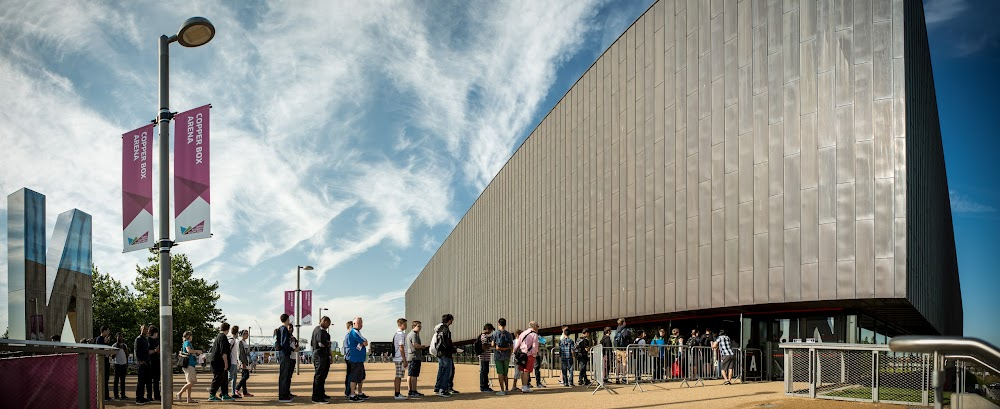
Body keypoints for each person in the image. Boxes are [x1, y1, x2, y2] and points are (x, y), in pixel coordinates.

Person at [346, 316, 370, 403]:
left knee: (360, 377)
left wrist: (363, 343)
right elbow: (365, 342)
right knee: (355, 377)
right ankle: (352, 395)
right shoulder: (354, 332)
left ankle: (359, 393)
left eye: (361, 323)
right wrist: (363, 343)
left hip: (359, 359)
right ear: (354, 324)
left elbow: (364, 342)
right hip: (356, 359)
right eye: (359, 323)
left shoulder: (357, 332)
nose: (361, 324)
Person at [433, 314, 458, 397]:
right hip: (445, 352)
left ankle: (438, 388)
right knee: (447, 371)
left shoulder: (439, 328)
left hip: (440, 352)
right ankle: (443, 389)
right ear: (450, 320)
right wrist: (453, 349)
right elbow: (446, 343)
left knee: (442, 370)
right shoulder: (445, 329)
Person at [209, 322, 234, 401]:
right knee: (218, 378)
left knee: (224, 378)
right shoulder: (223, 337)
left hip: (216, 361)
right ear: (228, 329)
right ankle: (212, 395)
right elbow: (224, 352)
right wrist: (226, 363)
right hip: (219, 362)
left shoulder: (218, 336)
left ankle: (224, 394)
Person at [513, 321, 540, 393]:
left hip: (522, 354)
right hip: (529, 354)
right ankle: (525, 387)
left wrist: (515, 351)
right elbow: (535, 346)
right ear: (534, 326)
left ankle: (524, 385)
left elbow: (518, 343)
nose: (538, 328)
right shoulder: (534, 335)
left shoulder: (523, 333)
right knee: (527, 371)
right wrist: (534, 354)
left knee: (522, 370)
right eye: (537, 326)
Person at [177, 331, 202, 404]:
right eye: (191, 335)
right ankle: (180, 393)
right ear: (188, 336)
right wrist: (197, 351)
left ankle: (189, 398)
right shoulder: (187, 343)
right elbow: (189, 350)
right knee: (192, 381)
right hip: (189, 365)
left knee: (189, 382)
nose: (192, 337)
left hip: (189, 364)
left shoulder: (186, 343)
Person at [311, 316, 332, 403]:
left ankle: (321, 393)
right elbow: (321, 344)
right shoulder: (319, 330)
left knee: (323, 376)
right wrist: (327, 343)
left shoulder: (322, 331)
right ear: (325, 321)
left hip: (323, 356)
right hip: (319, 356)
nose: (328, 326)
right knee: (319, 376)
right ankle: (316, 396)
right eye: (328, 324)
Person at [490, 318, 514, 396]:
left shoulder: (495, 333)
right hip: (506, 355)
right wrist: (509, 355)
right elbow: (511, 346)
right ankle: (507, 389)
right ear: (505, 324)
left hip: (498, 355)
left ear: (498, 324)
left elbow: (493, 344)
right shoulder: (509, 334)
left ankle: (502, 390)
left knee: (500, 373)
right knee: (505, 373)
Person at [406, 320, 427, 398]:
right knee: (414, 375)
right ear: (414, 326)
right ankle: (413, 391)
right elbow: (415, 345)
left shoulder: (409, 334)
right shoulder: (414, 335)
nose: (420, 328)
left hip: (411, 356)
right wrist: (422, 346)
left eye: (420, 326)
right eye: (418, 326)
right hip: (415, 356)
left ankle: (410, 390)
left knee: (410, 374)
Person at [277, 314, 295, 403]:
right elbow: (284, 343)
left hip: (282, 354)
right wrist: (291, 349)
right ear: (287, 319)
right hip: (285, 354)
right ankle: (283, 396)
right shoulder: (284, 329)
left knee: (284, 375)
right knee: (284, 375)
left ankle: (283, 394)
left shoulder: (280, 329)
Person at [392, 318, 410, 400]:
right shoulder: (401, 334)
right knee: (398, 376)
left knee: (398, 376)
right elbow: (401, 347)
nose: (406, 326)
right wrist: (405, 359)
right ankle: (397, 394)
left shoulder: (397, 333)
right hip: (400, 358)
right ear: (401, 324)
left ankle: (397, 393)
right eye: (405, 324)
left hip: (398, 357)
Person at [134, 324, 150, 405]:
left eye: (146, 329)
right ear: (141, 329)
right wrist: (140, 360)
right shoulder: (138, 339)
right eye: (144, 329)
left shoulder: (145, 339)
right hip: (141, 363)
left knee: (144, 381)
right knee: (140, 381)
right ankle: (138, 398)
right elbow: (137, 351)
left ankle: (142, 397)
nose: (145, 330)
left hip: (146, 362)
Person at [235, 329, 254, 398]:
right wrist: (242, 362)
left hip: (246, 361)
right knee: (246, 375)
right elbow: (240, 353)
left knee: (244, 376)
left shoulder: (244, 342)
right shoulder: (240, 342)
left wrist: (250, 361)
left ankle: (245, 392)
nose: (247, 334)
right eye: (246, 333)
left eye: (247, 333)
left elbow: (247, 353)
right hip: (243, 362)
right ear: (242, 334)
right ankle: (237, 389)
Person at [96, 326, 112, 400]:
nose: (108, 332)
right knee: (102, 379)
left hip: (106, 361)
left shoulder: (106, 339)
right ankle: (102, 396)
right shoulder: (99, 339)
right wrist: (104, 343)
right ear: (104, 331)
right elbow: (99, 350)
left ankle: (106, 395)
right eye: (107, 330)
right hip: (101, 362)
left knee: (106, 379)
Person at [112, 332, 129, 400]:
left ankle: (123, 395)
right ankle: (116, 395)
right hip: (117, 364)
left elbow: (127, 355)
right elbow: (112, 356)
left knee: (123, 380)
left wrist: (125, 349)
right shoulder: (114, 346)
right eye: (119, 336)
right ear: (116, 337)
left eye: (121, 336)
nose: (120, 338)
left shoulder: (125, 345)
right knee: (116, 380)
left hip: (123, 364)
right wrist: (117, 350)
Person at [614, 318, 632, 383]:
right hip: (624, 349)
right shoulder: (626, 331)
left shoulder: (616, 330)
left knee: (618, 363)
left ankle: (617, 377)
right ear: (623, 322)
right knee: (624, 364)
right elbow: (630, 340)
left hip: (617, 349)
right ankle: (624, 377)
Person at [478, 323, 495, 393]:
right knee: (484, 372)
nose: (491, 332)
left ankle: (485, 386)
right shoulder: (483, 336)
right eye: (490, 330)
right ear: (487, 329)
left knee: (485, 371)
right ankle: (483, 386)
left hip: (485, 357)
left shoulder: (483, 336)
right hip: (484, 357)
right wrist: (490, 345)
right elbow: (483, 346)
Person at [146, 326, 161, 402]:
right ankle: (149, 396)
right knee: (149, 380)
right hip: (150, 362)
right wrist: (155, 350)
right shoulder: (148, 340)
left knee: (156, 380)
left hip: (156, 361)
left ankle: (157, 395)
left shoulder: (156, 340)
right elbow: (148, 351)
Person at [227, 325, 240, 398]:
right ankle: (223, 390)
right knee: (230, 377)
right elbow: (228, 349)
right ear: (236, 332)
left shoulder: (234, 340)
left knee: (234, 378)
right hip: (232, 361)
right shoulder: (231, 340)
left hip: (234, 361)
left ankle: (233, 392)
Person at [342, 320, 353, 398]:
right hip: (350, 357)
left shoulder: (348, 336)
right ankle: (348, 392)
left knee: (349, 374)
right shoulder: (349, 336)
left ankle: (348, 391)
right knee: (350, 375)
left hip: (349, 356)